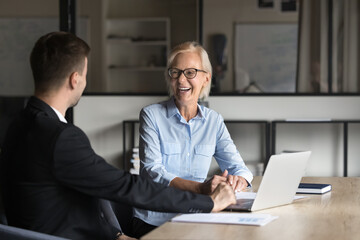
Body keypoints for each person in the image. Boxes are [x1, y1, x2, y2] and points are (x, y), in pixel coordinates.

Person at [0, 32, 236, 240]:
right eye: (85, 73)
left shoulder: (18, 125)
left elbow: (76, 198)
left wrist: (115, 235)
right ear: (75, 79)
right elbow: (125, 186)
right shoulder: (61, 137)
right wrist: (209, 203)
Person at [132, 41, 253, 236]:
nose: (181, 80)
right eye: (175, 72)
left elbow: (241, 169)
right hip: (155, 220)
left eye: (190, 72)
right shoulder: (151, 115)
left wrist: (238, 180)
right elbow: (153, 172)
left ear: (206, 79)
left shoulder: (213, 121)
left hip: (198, 216)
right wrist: (201, 188)